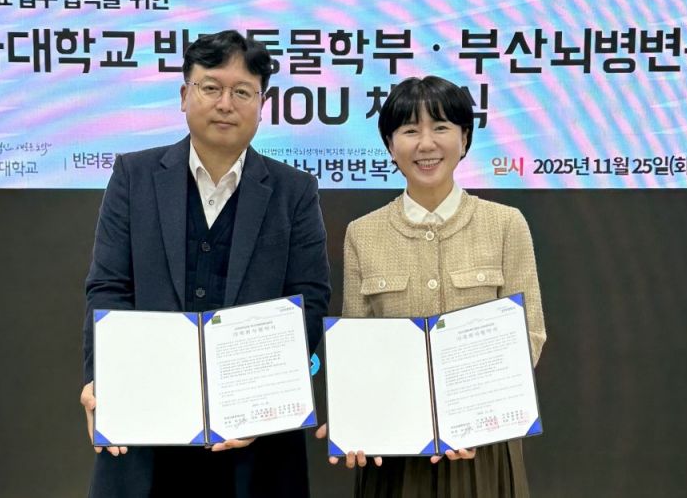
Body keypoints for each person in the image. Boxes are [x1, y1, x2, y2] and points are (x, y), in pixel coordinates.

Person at [80, 30, 331, 497]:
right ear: (184, 95)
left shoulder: (294, 191)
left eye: (243, 92)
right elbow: (109, 288)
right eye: (211, 87)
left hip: (256, 443)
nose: (225, 104)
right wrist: (103, 379)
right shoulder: (134, 176)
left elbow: (310, 300)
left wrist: (266, 400)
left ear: (262, 104)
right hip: (147, 433)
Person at [327, 75, 546, 497]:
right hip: (393, 451)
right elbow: (358, 343)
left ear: (464, 139)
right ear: (390, 145)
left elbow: (529, 334)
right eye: (410, 130)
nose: (426, 144)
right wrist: (355, 417)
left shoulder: (505, 224)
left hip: (482, 445)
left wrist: (476, 412)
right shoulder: (363, 233)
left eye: (441, 127)